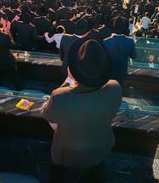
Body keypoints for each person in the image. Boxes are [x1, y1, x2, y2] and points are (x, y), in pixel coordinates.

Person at [43, 40, 122, 183]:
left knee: (56, 174)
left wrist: (68, 80)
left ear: (74, 69)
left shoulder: (59, 96)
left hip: (66, 152)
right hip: (99, 147)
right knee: (97, 173)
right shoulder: (115, 88)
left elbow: (48, 114)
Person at [103, 16, 136, 86]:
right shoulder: (130, 41)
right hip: (122, 72)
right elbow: (134, 56)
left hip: (109, 73)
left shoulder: (106, 42)